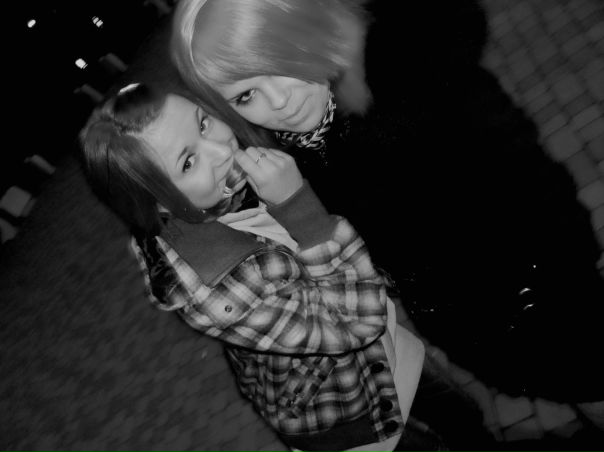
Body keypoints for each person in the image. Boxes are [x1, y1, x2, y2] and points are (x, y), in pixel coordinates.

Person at [166, 0, 604, 416]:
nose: (279, 101)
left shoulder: (419, 86)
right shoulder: (290, 157)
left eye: (282, 61)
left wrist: (550, 286)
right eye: (247, 95)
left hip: (543, 300)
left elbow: (535, 184)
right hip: (465, 326)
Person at [79, 82, 501, 452]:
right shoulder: (216, 287)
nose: (221, 150)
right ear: (157, 207)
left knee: (462, 415)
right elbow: (355, 325)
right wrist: (297, 207)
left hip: (384, 348)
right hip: (348, 407)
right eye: (187, 162)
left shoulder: (219, 191)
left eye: (203, 123)